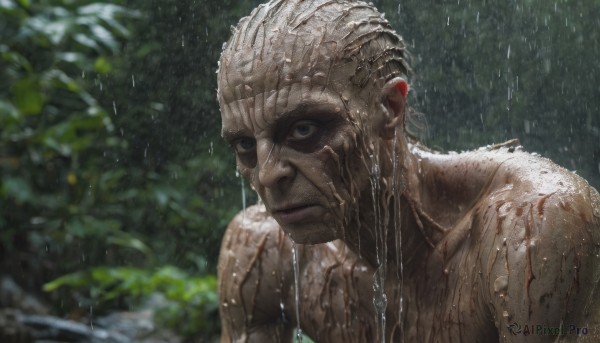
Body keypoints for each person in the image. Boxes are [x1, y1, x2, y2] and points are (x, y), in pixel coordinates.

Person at [216, 0, 600, 341]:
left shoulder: (531, 228)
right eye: (246, 145)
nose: (267, 176)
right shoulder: (262, 253)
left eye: (304, 130)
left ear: (389, 109)